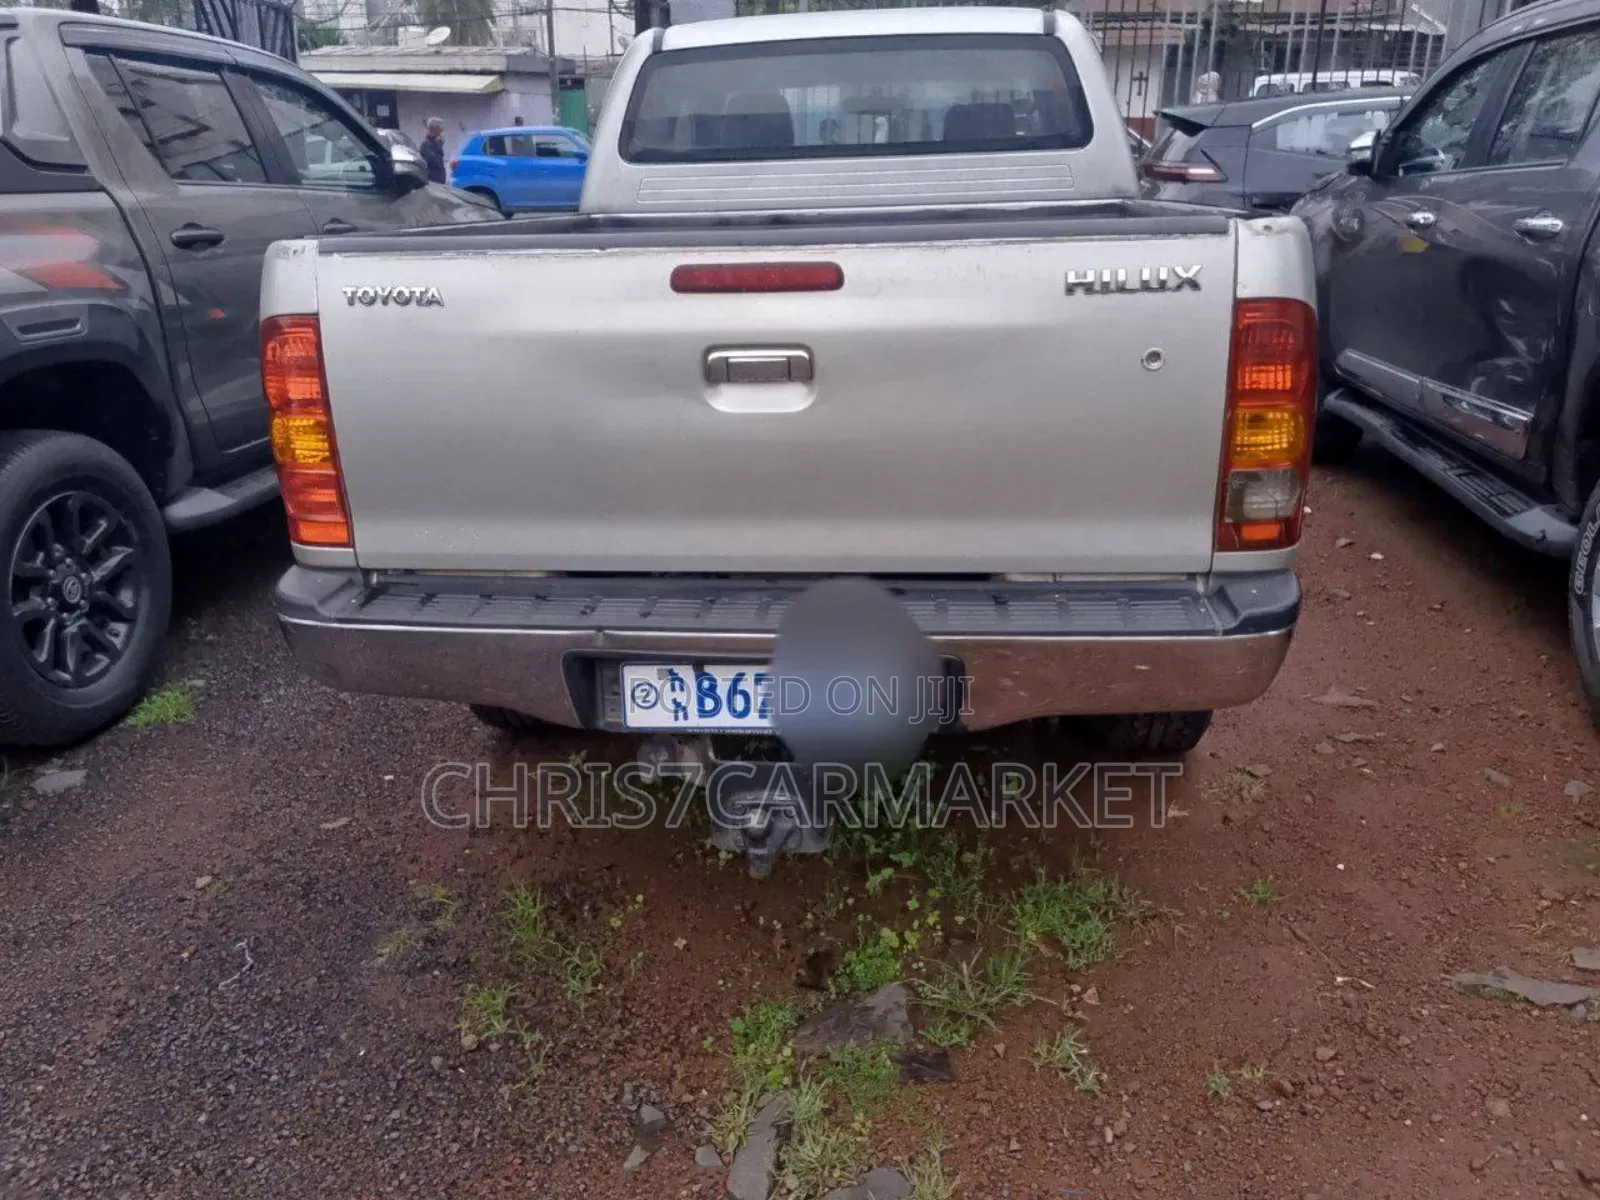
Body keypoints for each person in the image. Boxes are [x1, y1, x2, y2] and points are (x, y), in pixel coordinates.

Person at [420, 117, 447, 185]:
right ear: (434, 129)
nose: (441, 133)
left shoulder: (435, 143)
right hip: (433, 183)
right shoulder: (426, 144)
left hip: (440, 183)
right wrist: (439, 145)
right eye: (440, 130)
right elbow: (434, 162)